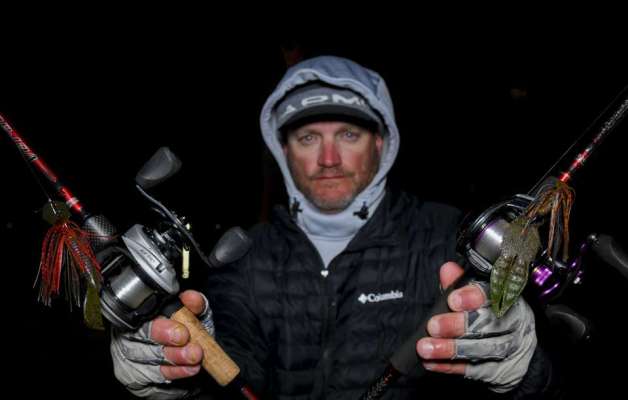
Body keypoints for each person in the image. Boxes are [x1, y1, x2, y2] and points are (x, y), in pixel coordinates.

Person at [111, 55, 558, 399]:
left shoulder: (444, 236)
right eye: (308, 138)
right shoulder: (245, 254)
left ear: (381, 143)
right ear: (283, 150)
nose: (328, 159)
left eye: (348, 134)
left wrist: (524, 369)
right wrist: (177, 369)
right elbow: (233, 369)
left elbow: (552, 378)